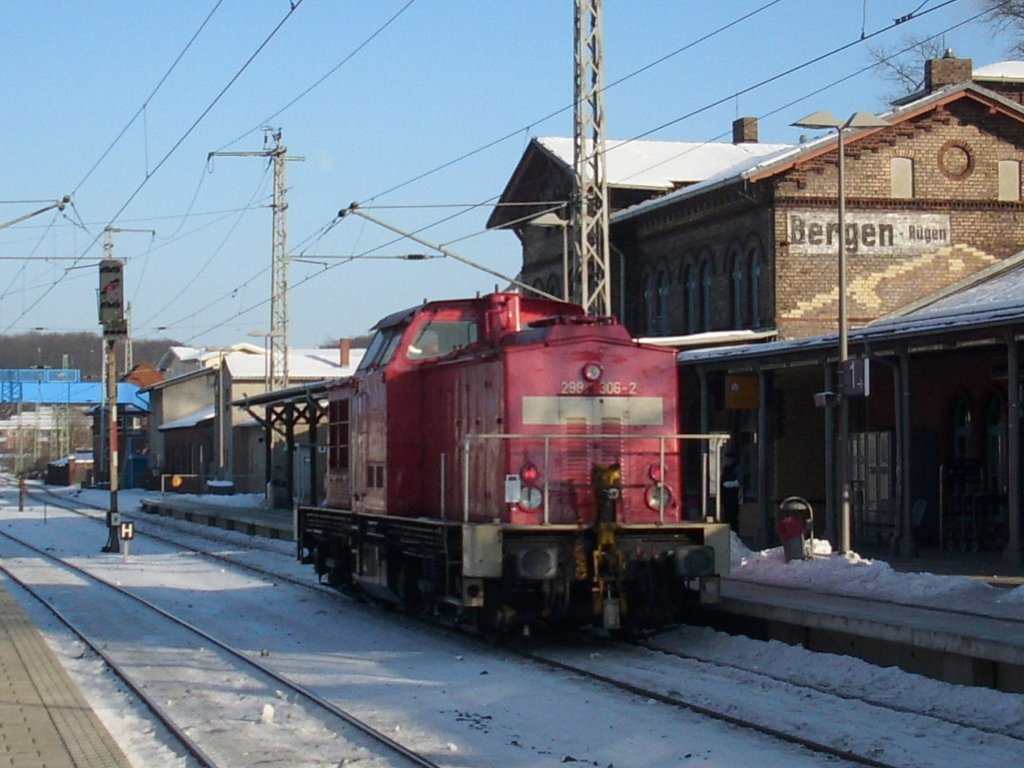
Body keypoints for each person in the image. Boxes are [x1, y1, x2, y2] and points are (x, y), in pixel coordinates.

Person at [721, 453, 742, 532]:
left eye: (728, 459)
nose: (726, 461)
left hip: (734, 498)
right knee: (727, 517)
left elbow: (739, 482)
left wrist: (729, 484)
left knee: (733, 518)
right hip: (727, 498)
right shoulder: (725, 469)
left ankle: (734, 533)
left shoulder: (736, 468)